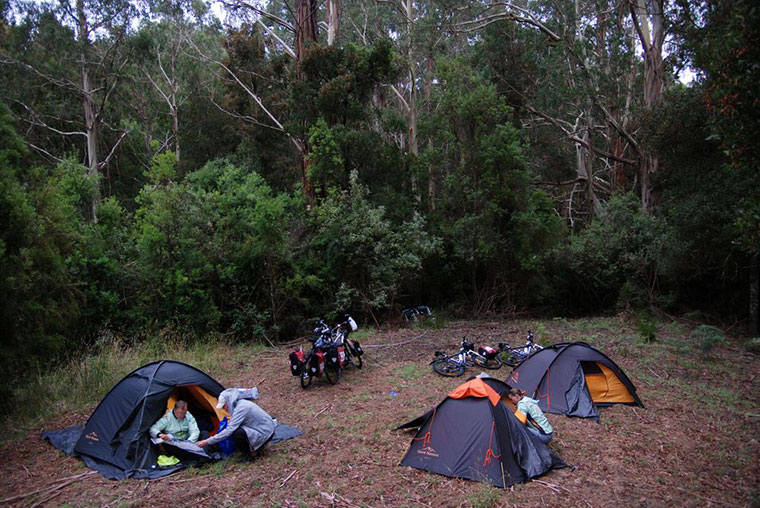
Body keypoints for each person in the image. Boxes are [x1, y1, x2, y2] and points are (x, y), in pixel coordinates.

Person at [197, 388, 275, 459]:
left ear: (228, 402)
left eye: (224, 406)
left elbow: (229, 431)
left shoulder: (241, 408)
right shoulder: (239, 404)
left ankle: (250, 455)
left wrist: (207, 441)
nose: (224, 409)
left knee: (236, 433)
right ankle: (254, 449)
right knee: (235, 429)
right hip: (265, 428)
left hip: (265, 431)